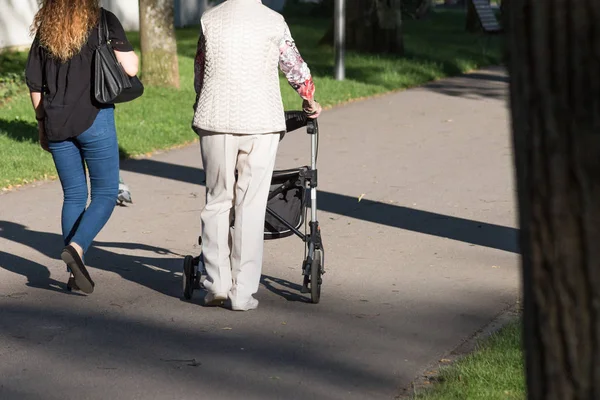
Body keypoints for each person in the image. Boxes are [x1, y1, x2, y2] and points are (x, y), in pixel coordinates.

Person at [192, 0, 322, 311]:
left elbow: (201, 68)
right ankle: (242, 293)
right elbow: (294, 67)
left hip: (216, 119)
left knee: (217, 201)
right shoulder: (273, 21)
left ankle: (217, 284)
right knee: (250, 205)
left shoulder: (209, 19)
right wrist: (309, 100)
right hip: (261, 121)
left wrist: (201, 99)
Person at [26, 0, 139, 294]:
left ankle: (75, 274)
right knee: (105, 192)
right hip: (95, 118)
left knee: (74, 195)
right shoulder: (103, 20)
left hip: (56, 121)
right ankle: (76, 248)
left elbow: (35, 84)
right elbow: (130, 67)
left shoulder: (45, 29)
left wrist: (41, 125)